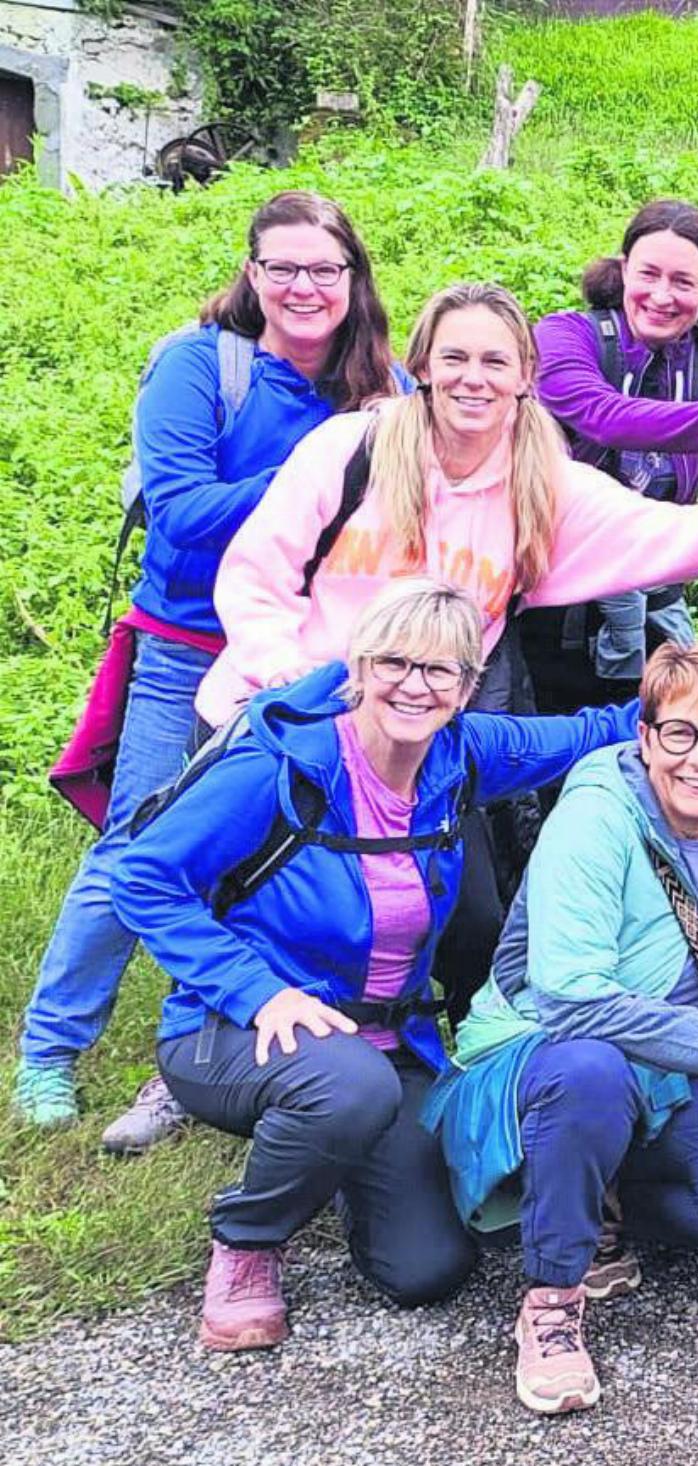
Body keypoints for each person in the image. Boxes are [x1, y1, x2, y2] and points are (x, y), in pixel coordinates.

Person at [190, 280, 698, 1015]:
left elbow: (662, 534)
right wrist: (288, 677)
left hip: (417, 740)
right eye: (456, 357)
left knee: (470, 923)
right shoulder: (352, 451)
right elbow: (256, 576)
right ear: (425, 366)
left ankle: (473, 1070)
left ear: (524, 377)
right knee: (247, 895)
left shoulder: (541, 488)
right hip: (288, 721)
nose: (474, 378)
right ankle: (203, 1050)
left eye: (495, 362)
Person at [109, 579, 649, 1352]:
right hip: (232, 1031)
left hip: (389, 1050)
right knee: (347, 1086)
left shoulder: (457, 756)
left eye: (439, 670)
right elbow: (143, 877)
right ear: (360, 667)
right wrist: (257, 993)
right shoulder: (282, 764)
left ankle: (333, 1161)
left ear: (466, 687)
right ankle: (247, 1242)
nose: (414, 684)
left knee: (427, 1269)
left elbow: (586, 733)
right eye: (395, 661)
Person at [14, 191, 405, 1147]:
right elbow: (184, 513)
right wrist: (326, 466)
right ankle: (48, 1054)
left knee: (269, 862)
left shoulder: (380, 384)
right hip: (186, 648)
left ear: (354, 279)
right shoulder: (202, 368)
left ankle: (192, 1059)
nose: (305, 286)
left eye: (325, 268)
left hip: (312, 664)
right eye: (283, 267)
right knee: (140, 847)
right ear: (253, 272)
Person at [425, 643, 698, 1416]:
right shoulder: (594, 819)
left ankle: (588, 1190)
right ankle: (553, 1297)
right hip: (545, 1050)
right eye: (678, 734)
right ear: (643, 739)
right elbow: (572, 1002)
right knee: (591, 1072)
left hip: (665, 1058)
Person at [527, 198, 698, 710]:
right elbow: (606, 415)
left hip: (654, 601)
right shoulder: (565, 336)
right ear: (623, 271)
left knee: (660, 742)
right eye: (648, 274)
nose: (661, 296)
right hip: (548, 606)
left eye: (684, 283)